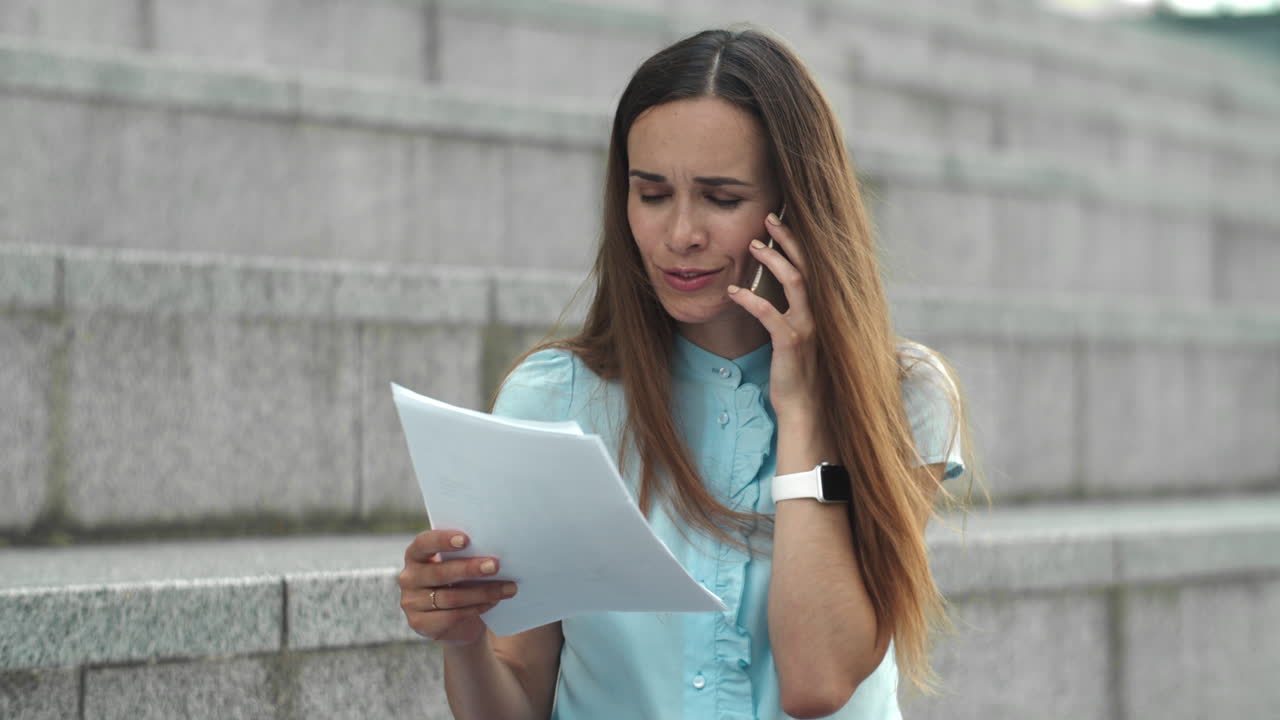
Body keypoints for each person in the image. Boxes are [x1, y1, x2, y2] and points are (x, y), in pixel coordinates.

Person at [398, 26, 974, 720]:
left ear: (797, 209)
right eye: (652, 194)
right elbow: (517, 696)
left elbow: (818, 681)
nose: (680, 234)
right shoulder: (555, 398)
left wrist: (805, 412)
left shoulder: (904, 396)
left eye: (721, 198)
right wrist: (462, 640)